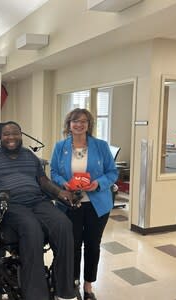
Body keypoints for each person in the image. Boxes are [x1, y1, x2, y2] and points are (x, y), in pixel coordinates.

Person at [0, 121, 78, 300]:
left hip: (38, 201)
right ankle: (35, 295)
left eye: (14, 133)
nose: (11, 137)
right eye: (6, 134)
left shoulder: (29, 156)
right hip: (12, 205)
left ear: (21, 135)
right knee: (32, 229)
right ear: (0, 138)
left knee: (64, 224)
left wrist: (60, 192)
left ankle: (64, 289)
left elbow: (43, 181)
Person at [50, 108, 118, 300]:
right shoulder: (60, 146)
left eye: (83, 121)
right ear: (68, 124)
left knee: (92, 245)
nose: (79, 125)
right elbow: (53, 171)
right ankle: (73, 283)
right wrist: (64, 183)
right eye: (75, 121)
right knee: (72, 246)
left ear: (89, 125)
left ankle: (88, 286)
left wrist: (98, 184)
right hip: (69, 204)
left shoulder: (101, 146)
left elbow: (112, 173)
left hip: (97, 205)